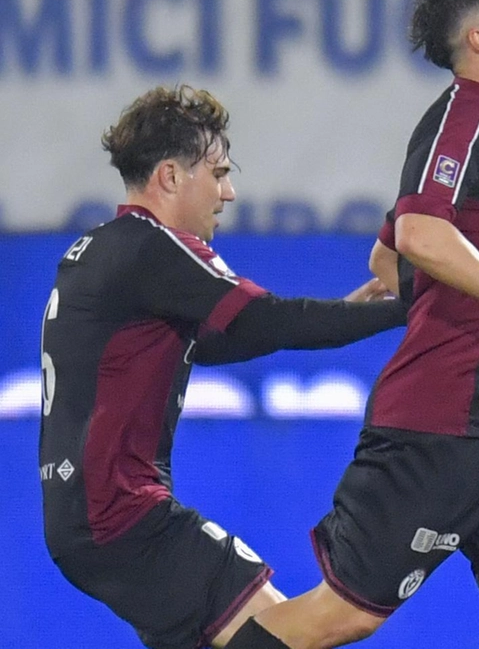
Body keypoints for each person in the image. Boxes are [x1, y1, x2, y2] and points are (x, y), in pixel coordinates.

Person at [231, 0, 479, 649]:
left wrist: (415, 287)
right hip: (438, 422)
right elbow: (420, 231)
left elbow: (389, 253)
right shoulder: (466, 116)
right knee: (344, 615)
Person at [38, 85, 407, 649]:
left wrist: (348, 316)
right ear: (169, 177)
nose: (229, 192)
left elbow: (211, 342)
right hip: (124, 518)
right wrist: (411, 308)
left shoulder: (99, 250)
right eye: (218, 173)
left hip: (84, 523)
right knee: (302, 632)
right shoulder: (155, 247)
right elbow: (262, 320)